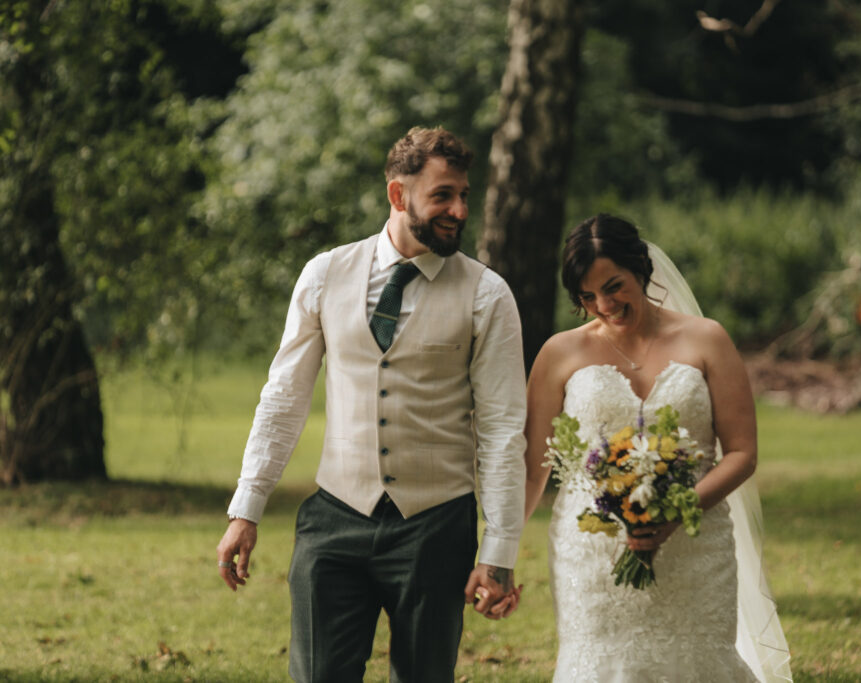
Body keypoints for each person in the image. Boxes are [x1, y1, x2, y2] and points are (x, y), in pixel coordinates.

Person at [216, 126, 527, 682]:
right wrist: (247, 507)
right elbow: (284, 396)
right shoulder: (324, 274)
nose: (458, 209)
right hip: (335, 518)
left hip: (436, 525)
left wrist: (498, 551)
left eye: (463, 196)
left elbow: (503, 428)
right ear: (398, 195)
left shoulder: (487, 295)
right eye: (441, 196)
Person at [524, 214, 791, 682]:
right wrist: (496, 556)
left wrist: (679, 509)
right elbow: (532, 470)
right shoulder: (559, 354)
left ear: (641, 270)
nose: (604, 305)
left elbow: (742, 453)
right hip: (592, 552)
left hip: (696, 543)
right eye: (588, 297)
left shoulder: (707, 339)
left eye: (614, 287)